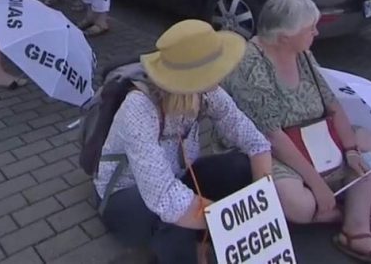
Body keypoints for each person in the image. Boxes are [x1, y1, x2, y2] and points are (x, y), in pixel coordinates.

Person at [222, 0, 371, 263]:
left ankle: (355, 228)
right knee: (298, 204)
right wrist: (317, 185)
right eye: (310, 28)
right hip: (278, 151)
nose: (316, 32)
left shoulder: (302, 52)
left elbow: (332, 104)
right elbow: (273, 136)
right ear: (283, 38)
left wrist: (350, 150)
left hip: (319, 140)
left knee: (368, 143)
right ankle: (344, 209)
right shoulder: (250, 65)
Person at [96, 20, 273, 264]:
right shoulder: (138, 107)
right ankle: (185, 251)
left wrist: (264, 199)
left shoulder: (206, 91)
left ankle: (211, 244)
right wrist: (228, 219)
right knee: (175, 223)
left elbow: (254, 141)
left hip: (176, 177)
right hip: (126, 192)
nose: (222, 72)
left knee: (240, 166)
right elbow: (164, 198)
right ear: (192, 76)